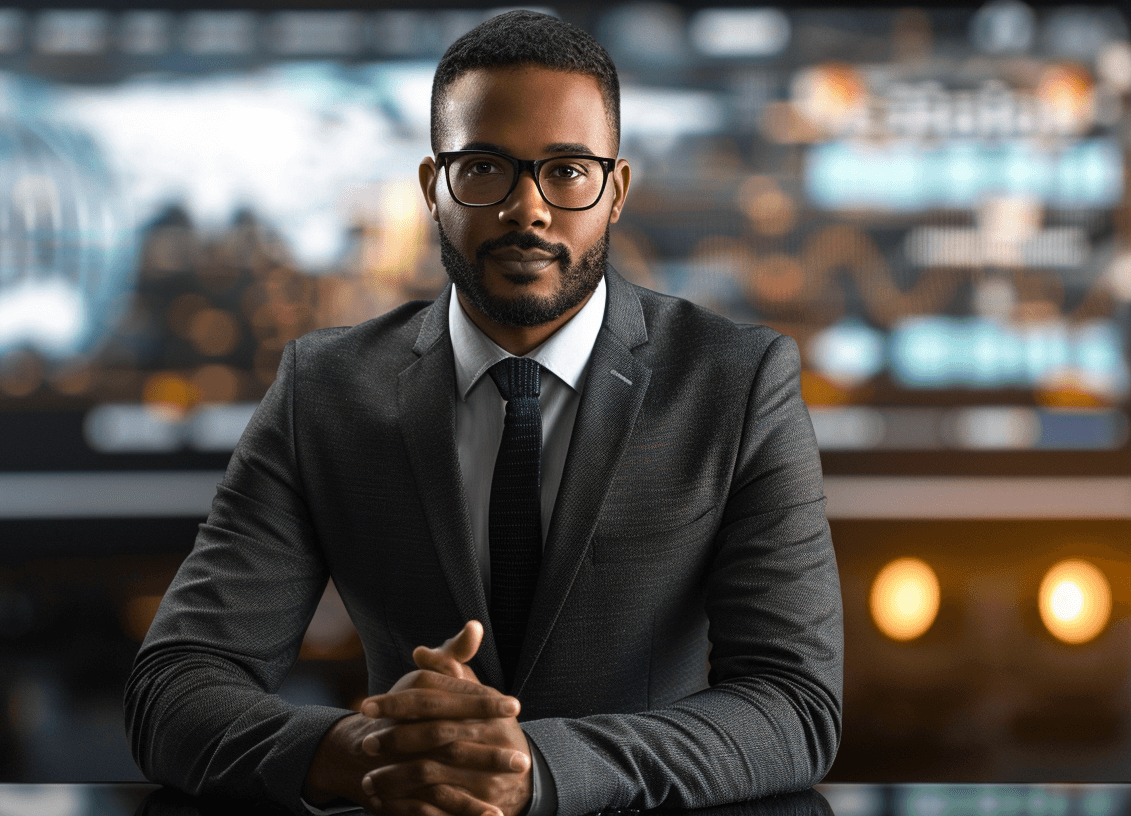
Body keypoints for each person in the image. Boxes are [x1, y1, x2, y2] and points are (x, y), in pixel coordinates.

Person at [125, 11, 842, 816]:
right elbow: (175, 689)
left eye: (568, 172)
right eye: (485, 170)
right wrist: (358, 755)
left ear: (616, 193)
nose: (527, 209)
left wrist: (539, 766)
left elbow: (794, 707)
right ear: (434, 188)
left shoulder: (737, 382)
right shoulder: (323, 390)